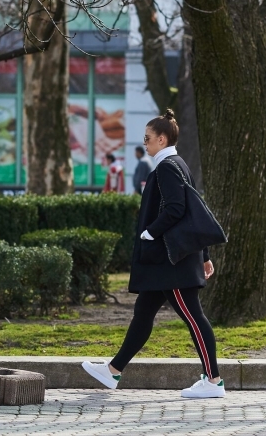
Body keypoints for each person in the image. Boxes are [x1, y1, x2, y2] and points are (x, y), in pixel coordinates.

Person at [82, 109, 224, 399]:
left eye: (147, 138)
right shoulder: (176, 164)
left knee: (193, 316)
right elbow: (195, 211)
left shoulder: (168, 167)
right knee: (144, 312)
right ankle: (112, 372)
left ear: (161, 138)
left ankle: (213, 381)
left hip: (172, 261)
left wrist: (150, 232)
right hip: (170, 259)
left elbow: (177, 210)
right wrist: (205, 254)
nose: (144, 143)